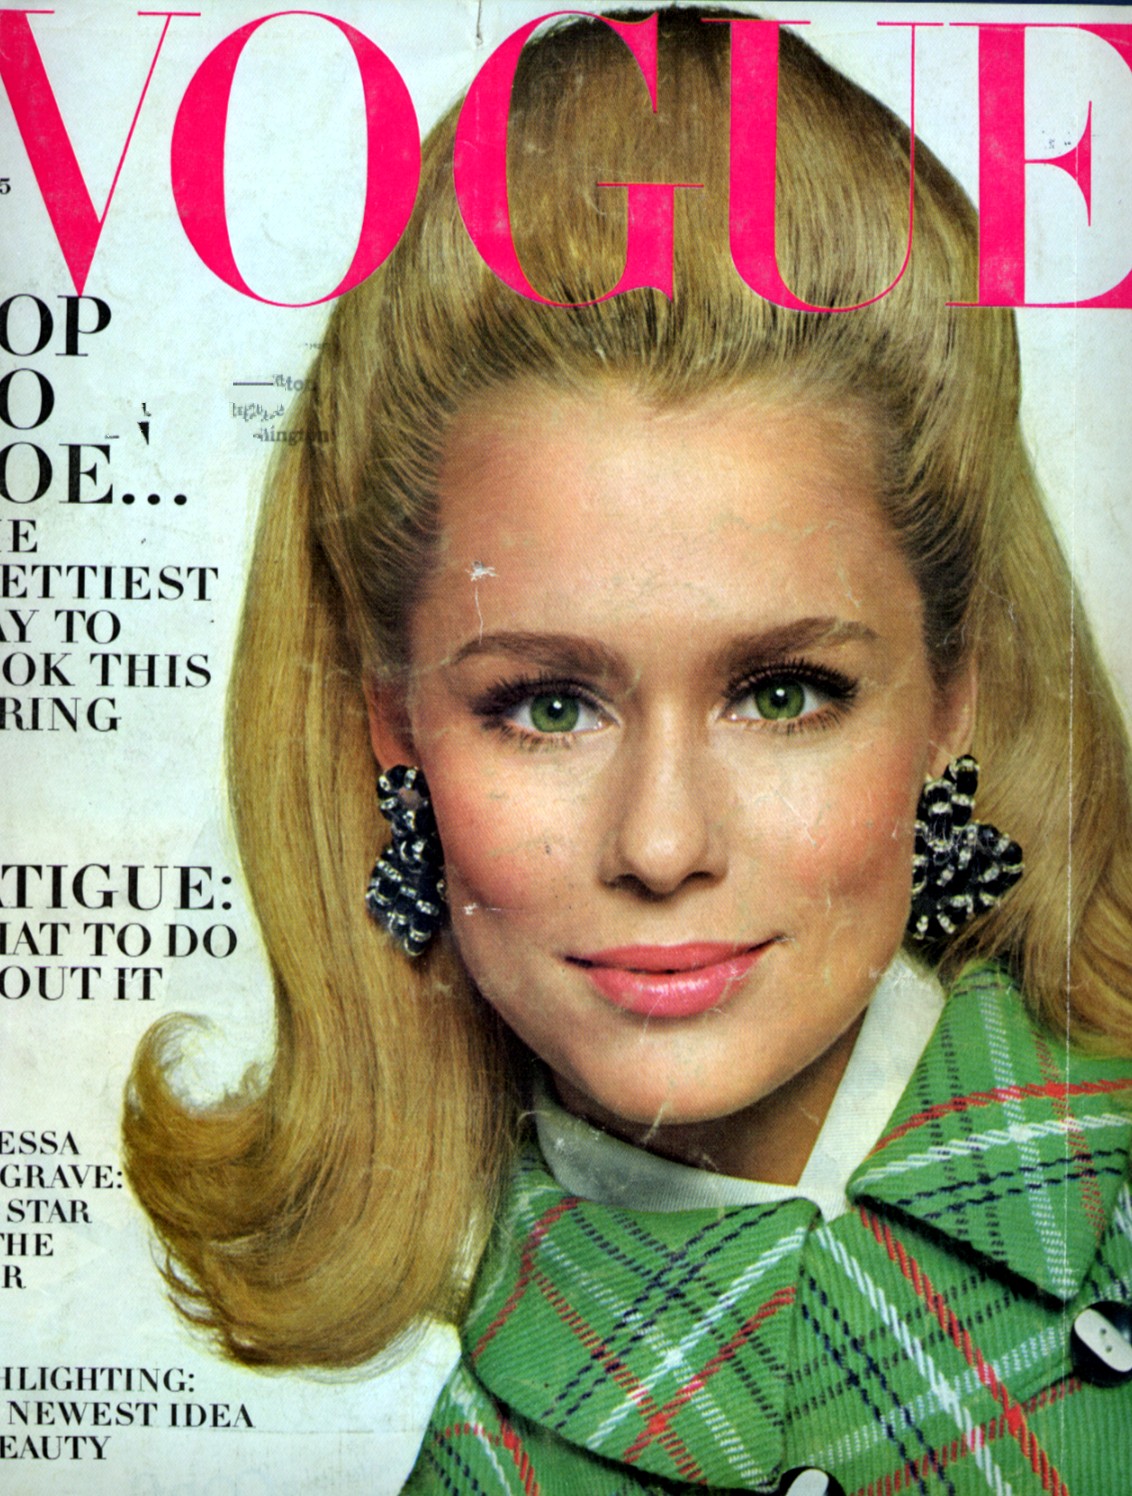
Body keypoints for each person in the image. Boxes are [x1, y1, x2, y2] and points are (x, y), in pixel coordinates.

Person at [124, 9, 1132, 1492]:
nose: (661, 845)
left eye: (782, 694)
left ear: (953, 695)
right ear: (394, 730)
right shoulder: (491, 1462)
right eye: (547, 706)